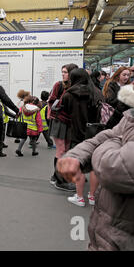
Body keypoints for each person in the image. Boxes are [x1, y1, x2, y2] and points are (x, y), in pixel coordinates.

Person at [57, 44, 134, 250]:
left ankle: (81, 195)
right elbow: (110, 134)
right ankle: (89, 195)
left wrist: (109, 144)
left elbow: (117, 168)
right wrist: (110, 144)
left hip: (132, 240)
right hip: (115, 235)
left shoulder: (68, 94)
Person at [60, 68, 102, 207]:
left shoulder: (69, 94)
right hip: (95, 133)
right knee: (94, 165)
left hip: (76, 133)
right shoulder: (96, 92)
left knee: (77, 164)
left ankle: (79, 197)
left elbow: (64, 111)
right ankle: (92, 196)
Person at [47, 63, 78, 191]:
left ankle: (56, 176)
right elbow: (51, 101)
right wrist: (61, 102)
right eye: (63, 72)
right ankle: (60, 181)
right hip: (59, 120)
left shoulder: (75, 86)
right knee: (61, 150)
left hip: (69, 122)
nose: (63, 74)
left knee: (65, 150)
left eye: (65, 72)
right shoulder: (59, 85)